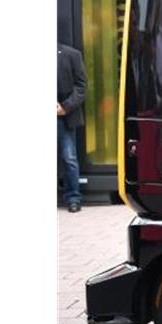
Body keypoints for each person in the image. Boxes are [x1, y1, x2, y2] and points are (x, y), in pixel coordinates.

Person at [57, 43, 88, 212]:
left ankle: (73, 198)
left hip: (63, 117)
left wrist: (65, 107)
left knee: (69, 159)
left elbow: (81, 86)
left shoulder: (72, 54)